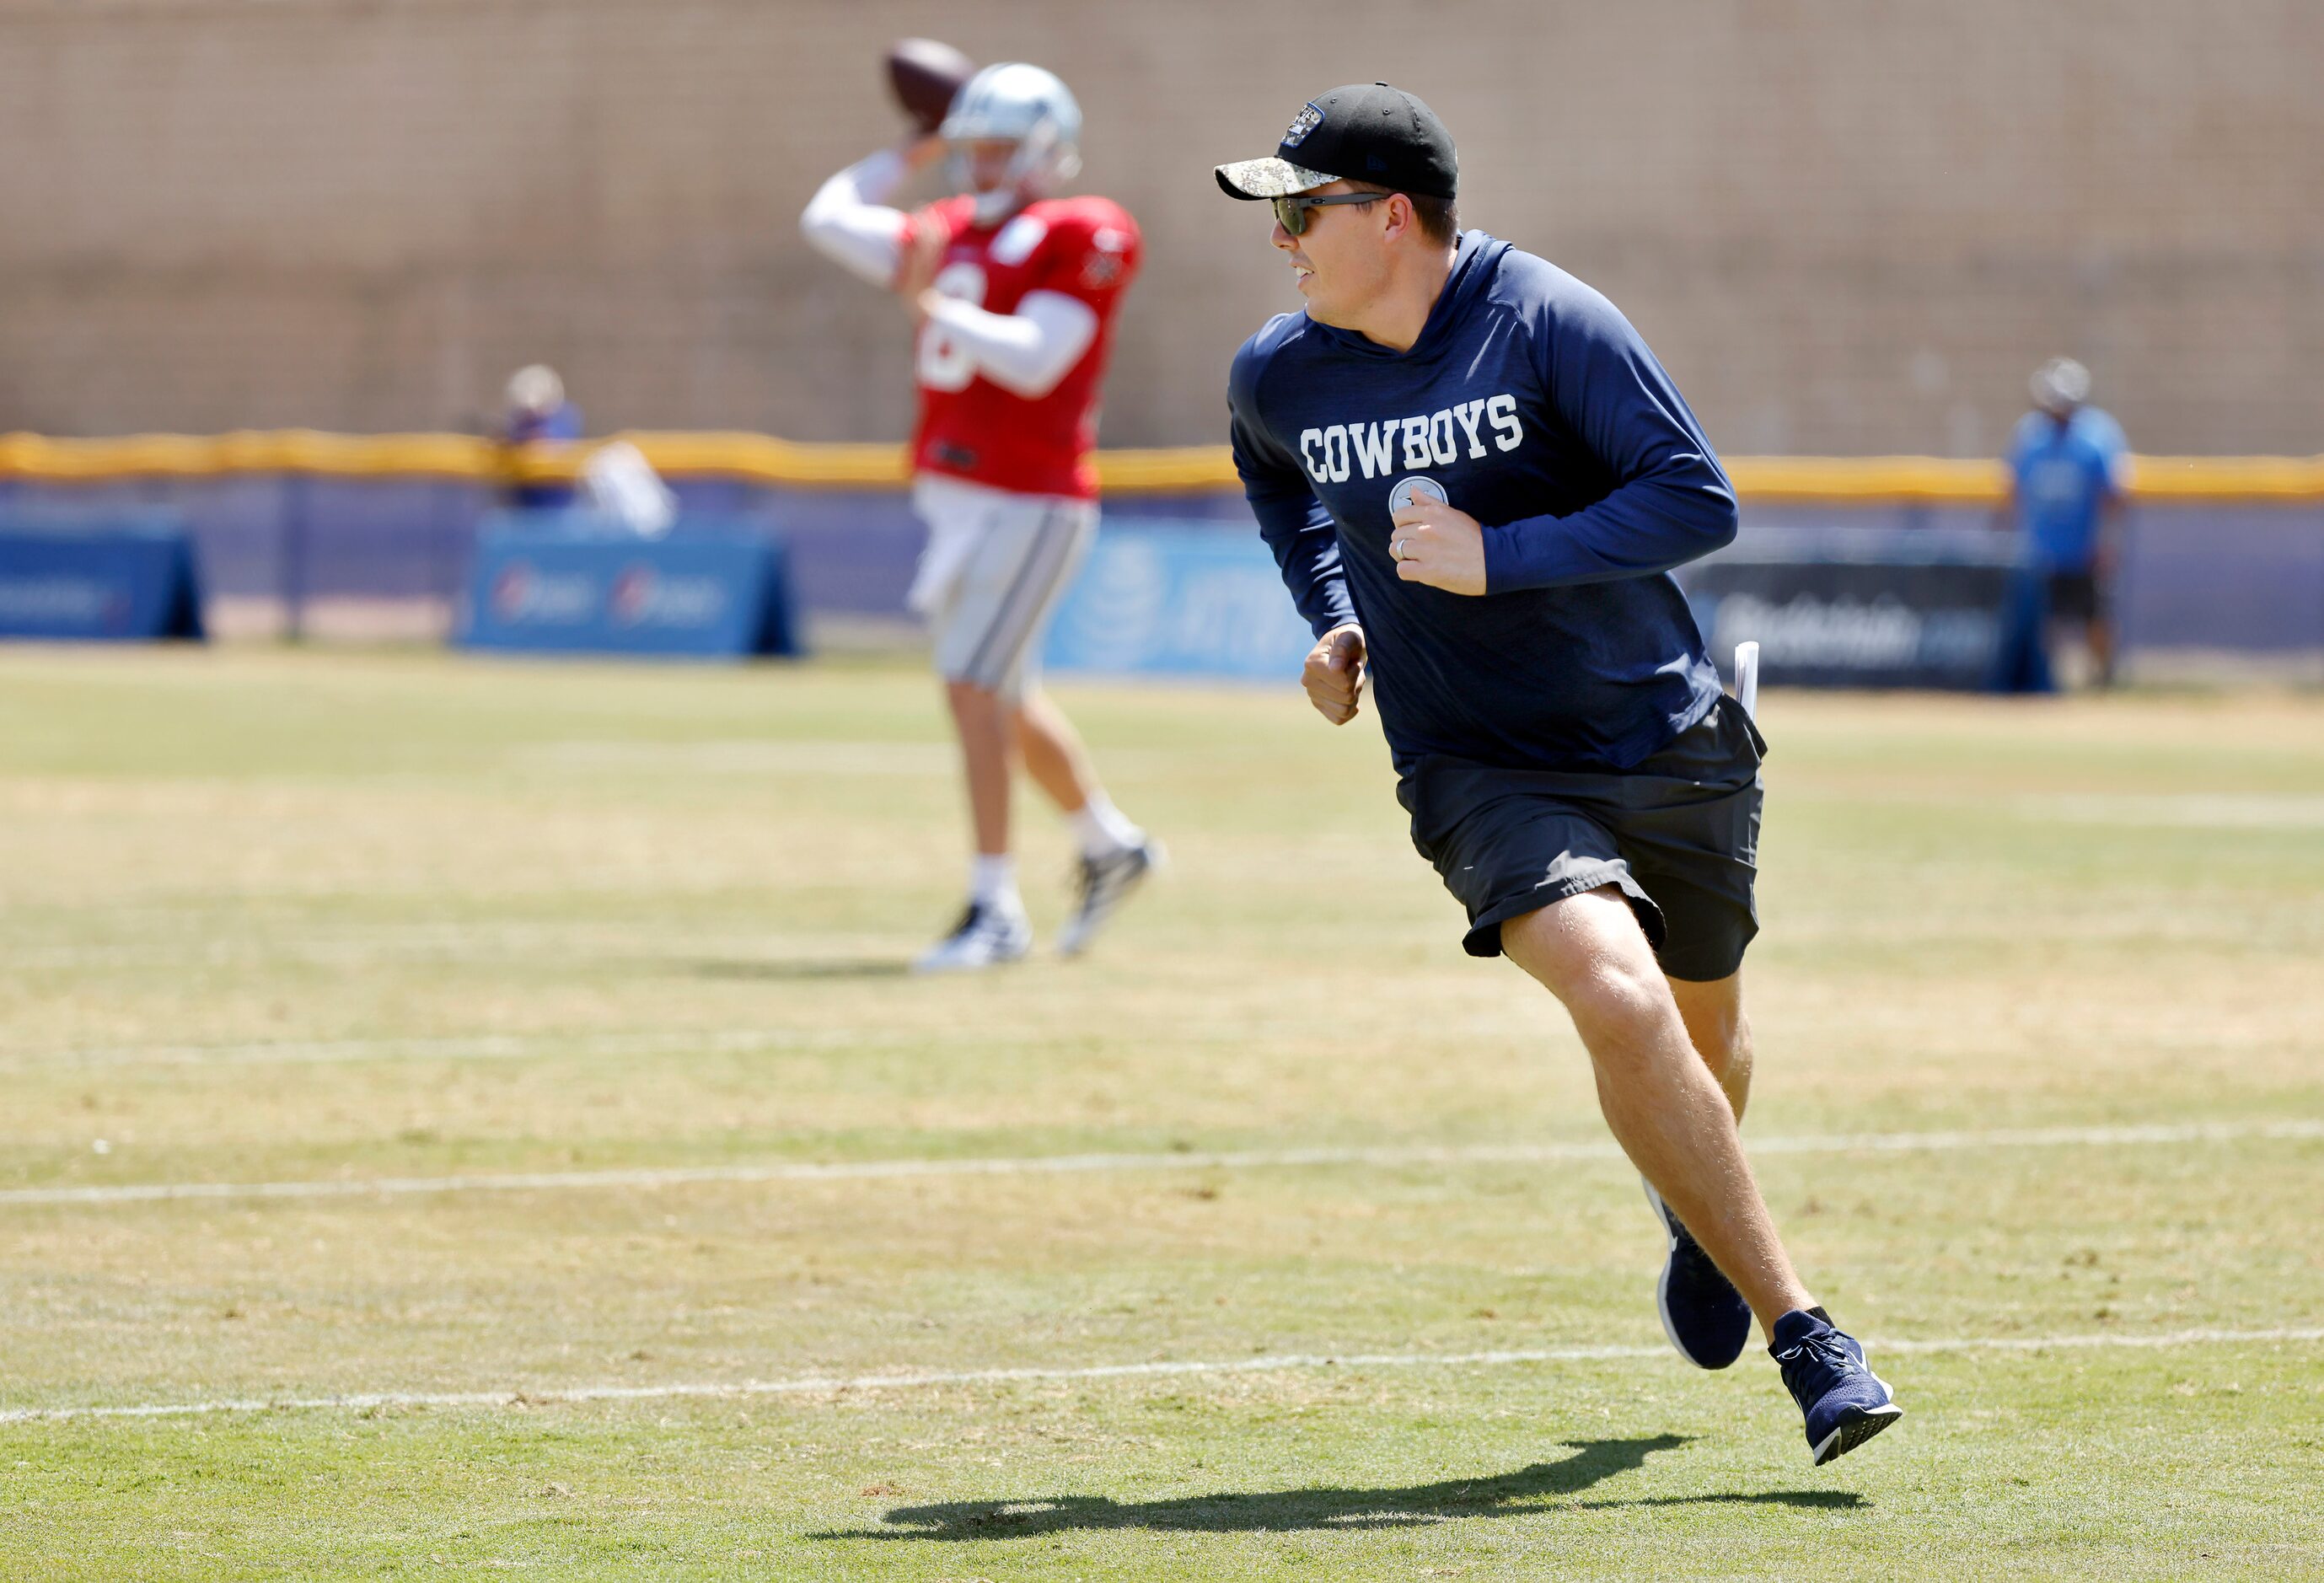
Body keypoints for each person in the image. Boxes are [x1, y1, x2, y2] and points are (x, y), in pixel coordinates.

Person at [1217, 83, 1902, 1464]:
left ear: (1388, 214)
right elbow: (1279, 485)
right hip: (1472, 759)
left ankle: (1695, 1214)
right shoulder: (1282, 372)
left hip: (1656, 730)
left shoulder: (1544, 320)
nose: (1280, 239)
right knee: (1613, 988)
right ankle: (1809, 1337)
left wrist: (1501, 555)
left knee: (1703, 1032)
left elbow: (1691, 495)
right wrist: (1336, 615)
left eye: (1299, 209)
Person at [802, 63, 1161, 972]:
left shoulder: (1085, 228)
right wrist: (912, 148)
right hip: (960, 495)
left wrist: (924, 300)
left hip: (1031, 496)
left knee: (970, 685)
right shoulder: (950, 228)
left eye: (1002, 145)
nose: (987, 162)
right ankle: (1109, 843)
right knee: (996, 690)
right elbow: (829, 217)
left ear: (1047, 147)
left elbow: (1039, 360)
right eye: (976, 145)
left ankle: (993, 906)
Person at [2008, 357, 2130, 685]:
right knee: (2043, 623)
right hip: (2042, 551)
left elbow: (2113, 497)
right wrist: (2009, 540)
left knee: (2096, 618)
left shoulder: (2097, 436)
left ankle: (2104, 681)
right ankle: (2047, 682)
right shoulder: (2031, 436)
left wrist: (2107, 543)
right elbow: (2013, 491)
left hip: (2084, 549)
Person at [500, 364, 582, 511]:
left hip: (558, 507)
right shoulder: (518, 422)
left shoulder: (563, 417)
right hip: (524, 507)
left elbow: (545, 444)